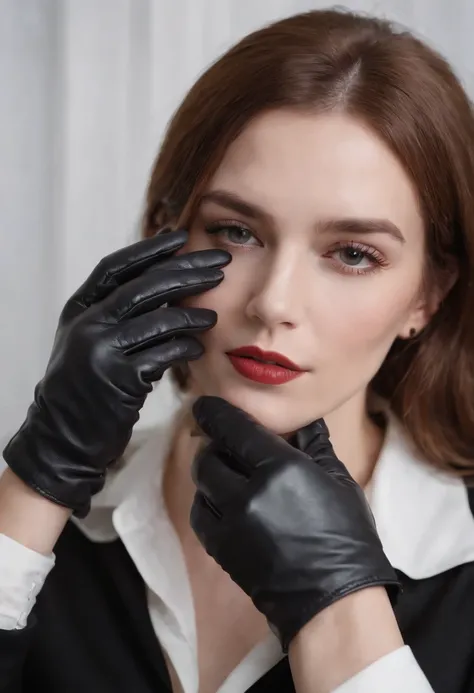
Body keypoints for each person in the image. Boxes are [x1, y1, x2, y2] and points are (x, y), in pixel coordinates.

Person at [1, 7, 474, 693]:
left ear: (427, 295)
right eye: (236, 231)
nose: (274, 302)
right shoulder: (51, 530)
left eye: (351, 253)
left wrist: (341, 613)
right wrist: (35, 481)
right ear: (167, 235)